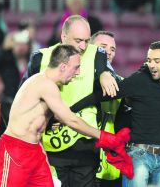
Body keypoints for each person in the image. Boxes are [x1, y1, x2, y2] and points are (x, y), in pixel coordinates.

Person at [0, 45, 131, 187]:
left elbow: (62, 117)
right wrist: (103, 137)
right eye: (76, 67)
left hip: (35, 149)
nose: (78, 73)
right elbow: (70, 119)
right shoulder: (45, 84)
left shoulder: (51, 86)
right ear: (63, 67)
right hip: (16, 149)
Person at [71, 41, 160, 187]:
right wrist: (69, 111)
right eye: (149, 60)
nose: (151, 65)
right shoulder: (139, 80)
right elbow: (100, 95)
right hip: (139, 156)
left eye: (157, 61)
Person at [20, 15, 119, 187]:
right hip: (51, 145)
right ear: (63, 36)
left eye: (87, 41)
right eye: (78, 40)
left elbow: (109, 76)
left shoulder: (98, 54)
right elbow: (23, 99)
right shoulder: (40, 58)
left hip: (85, 145)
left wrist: (105, 73)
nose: (83, 47)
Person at [90, 31, 122, 187]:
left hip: (111, 163)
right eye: (103, 47)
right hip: (82, 159)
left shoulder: (121, 83)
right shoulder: (73, 78)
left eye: (112, 49)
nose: (108, 52)